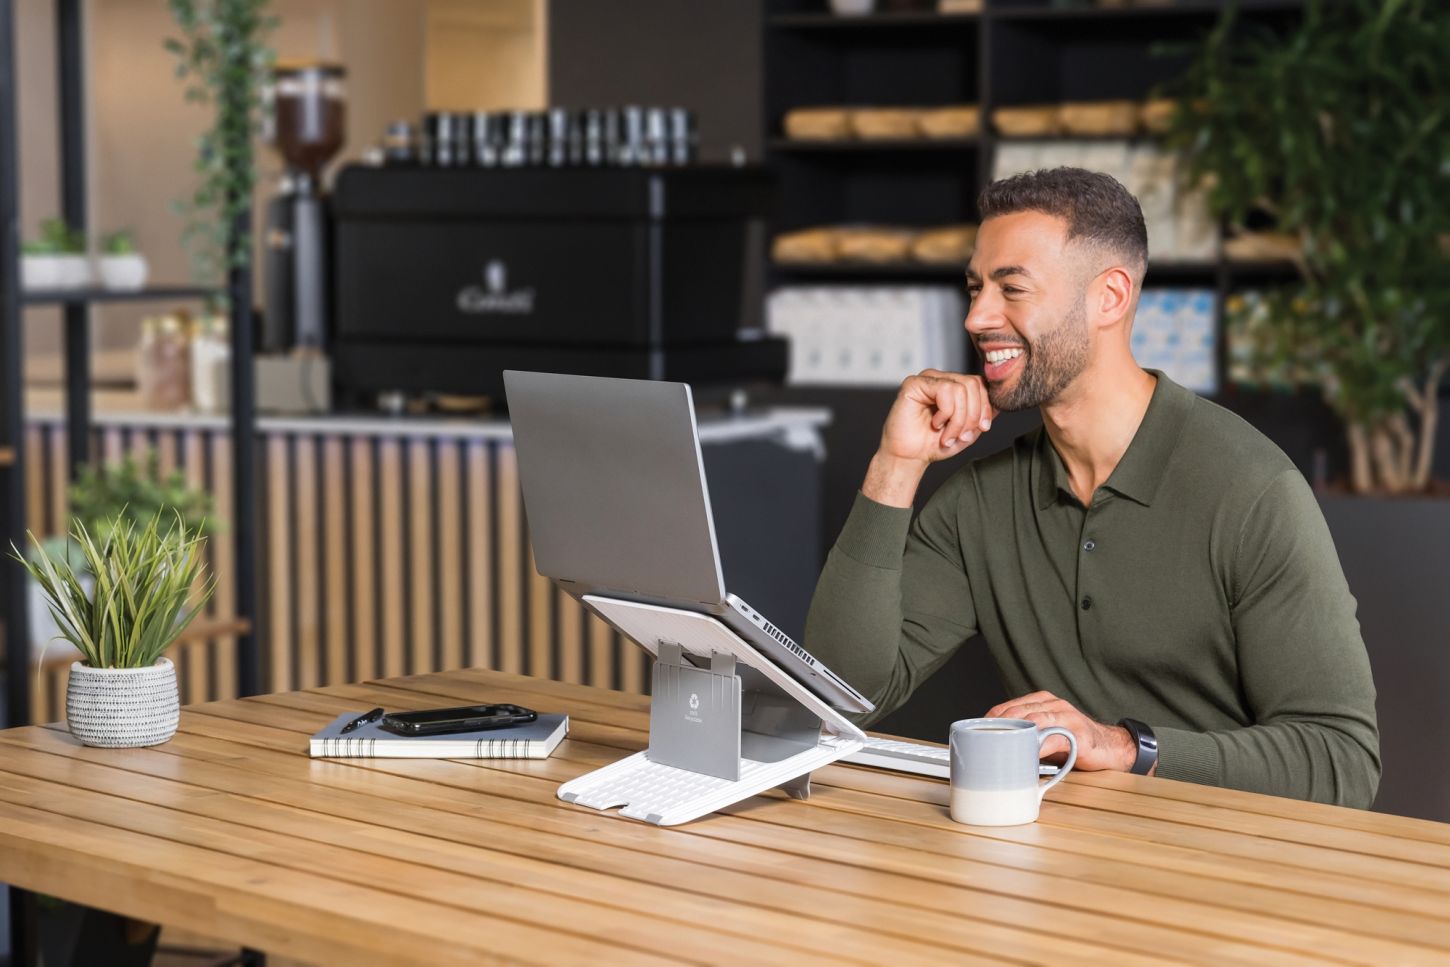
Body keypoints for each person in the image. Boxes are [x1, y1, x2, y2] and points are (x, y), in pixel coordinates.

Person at [804, 167, 1380, 808]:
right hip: (1063, 862)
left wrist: (1126, 747)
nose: (976, 316)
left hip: (1231, 868)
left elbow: (1342, 763)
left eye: (1011, 289)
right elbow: (842, 691)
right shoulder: (982, 501)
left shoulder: (1252, 491)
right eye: (975, 288)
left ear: (1109, 297)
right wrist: (896, 464)